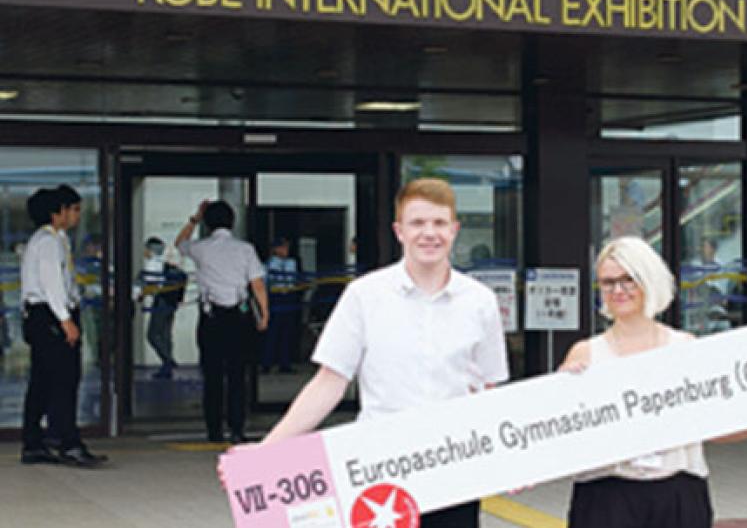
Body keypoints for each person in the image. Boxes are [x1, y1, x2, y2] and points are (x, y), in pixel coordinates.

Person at [223, 178, 508, 528]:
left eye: (439, 223)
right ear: (399, 230)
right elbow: (329, 382)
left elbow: (491, 391)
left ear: (454, 229)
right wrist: (268, 450)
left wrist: (507, 458)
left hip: (454, 469)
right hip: (381, 468)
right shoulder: (365, 296)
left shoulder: (480, 302)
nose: (429, 233)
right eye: (417, 223)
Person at [560, 236, 747, 528]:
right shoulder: (586, 354)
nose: (618, 290)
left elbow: (719, 426)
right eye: (607, 282)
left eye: (629, 279)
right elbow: (557, 437)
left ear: (649, 280)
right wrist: (559, 394)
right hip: (606, 498)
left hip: (678, 496)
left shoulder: (685, 349)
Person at [20, 185, 107, 467]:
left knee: (44, 381)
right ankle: (67, 442)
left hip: (45, 316)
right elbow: (52, 285)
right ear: (57, 213)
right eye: (74, 209)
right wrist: (66, 320)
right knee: (63, 380)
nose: (78, 215)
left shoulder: (57, 239)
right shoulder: (48, 242)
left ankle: (35, 443)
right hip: (50, 316)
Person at [176, 200, 269, 443]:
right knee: (238, 375)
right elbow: (257, 285)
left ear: (207, 224)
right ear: (233, 222)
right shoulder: (245, 249)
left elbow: (179, 243)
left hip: (211, 319)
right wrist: (265, 313)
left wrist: (194, 219)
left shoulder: (201, 248)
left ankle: (214, 430)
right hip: (239, 317)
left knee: (213, 375)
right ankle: (237, 429)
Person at [138, 236, 186, 380]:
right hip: (171, 303)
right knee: (165, 334)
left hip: (161, 302)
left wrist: (141, 293)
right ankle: (167, 365)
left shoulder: (152, 264)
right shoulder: (166, 264)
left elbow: (151, 285)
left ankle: (168, 360)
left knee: (153, 334)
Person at [263, 236, 299, 374]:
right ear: (275, 249)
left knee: (287, 331)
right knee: (273, 332)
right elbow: (266, 282)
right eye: (282, 247)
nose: (285, 250)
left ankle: (285, 363)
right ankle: (267, 362)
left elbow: (294, 279)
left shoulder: (292, 263)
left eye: (286, 247)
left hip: (288, 296)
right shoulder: (269, 264)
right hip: (275, 297)